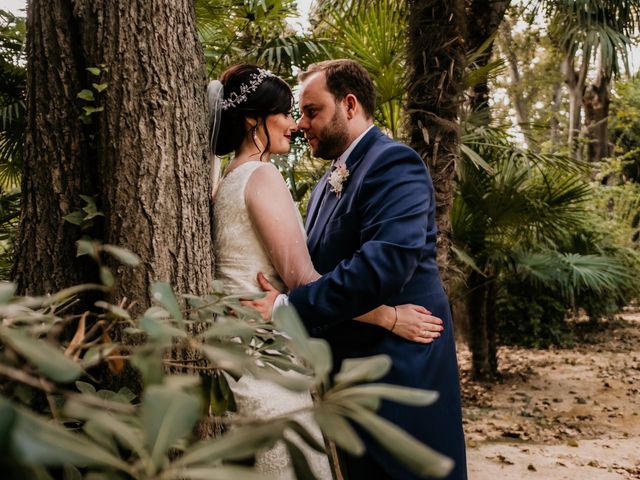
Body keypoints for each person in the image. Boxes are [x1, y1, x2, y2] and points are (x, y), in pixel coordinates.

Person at [209, 64, 444, 479]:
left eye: (309, 111)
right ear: (254, 119)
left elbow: (379, 267)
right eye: (292, 112)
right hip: (299, 364)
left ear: (349, 105)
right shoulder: (301, 183)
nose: (299, 125)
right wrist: (388, 316)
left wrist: (285, 304)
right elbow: (304, 279)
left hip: (391, 372)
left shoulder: (394, 163)